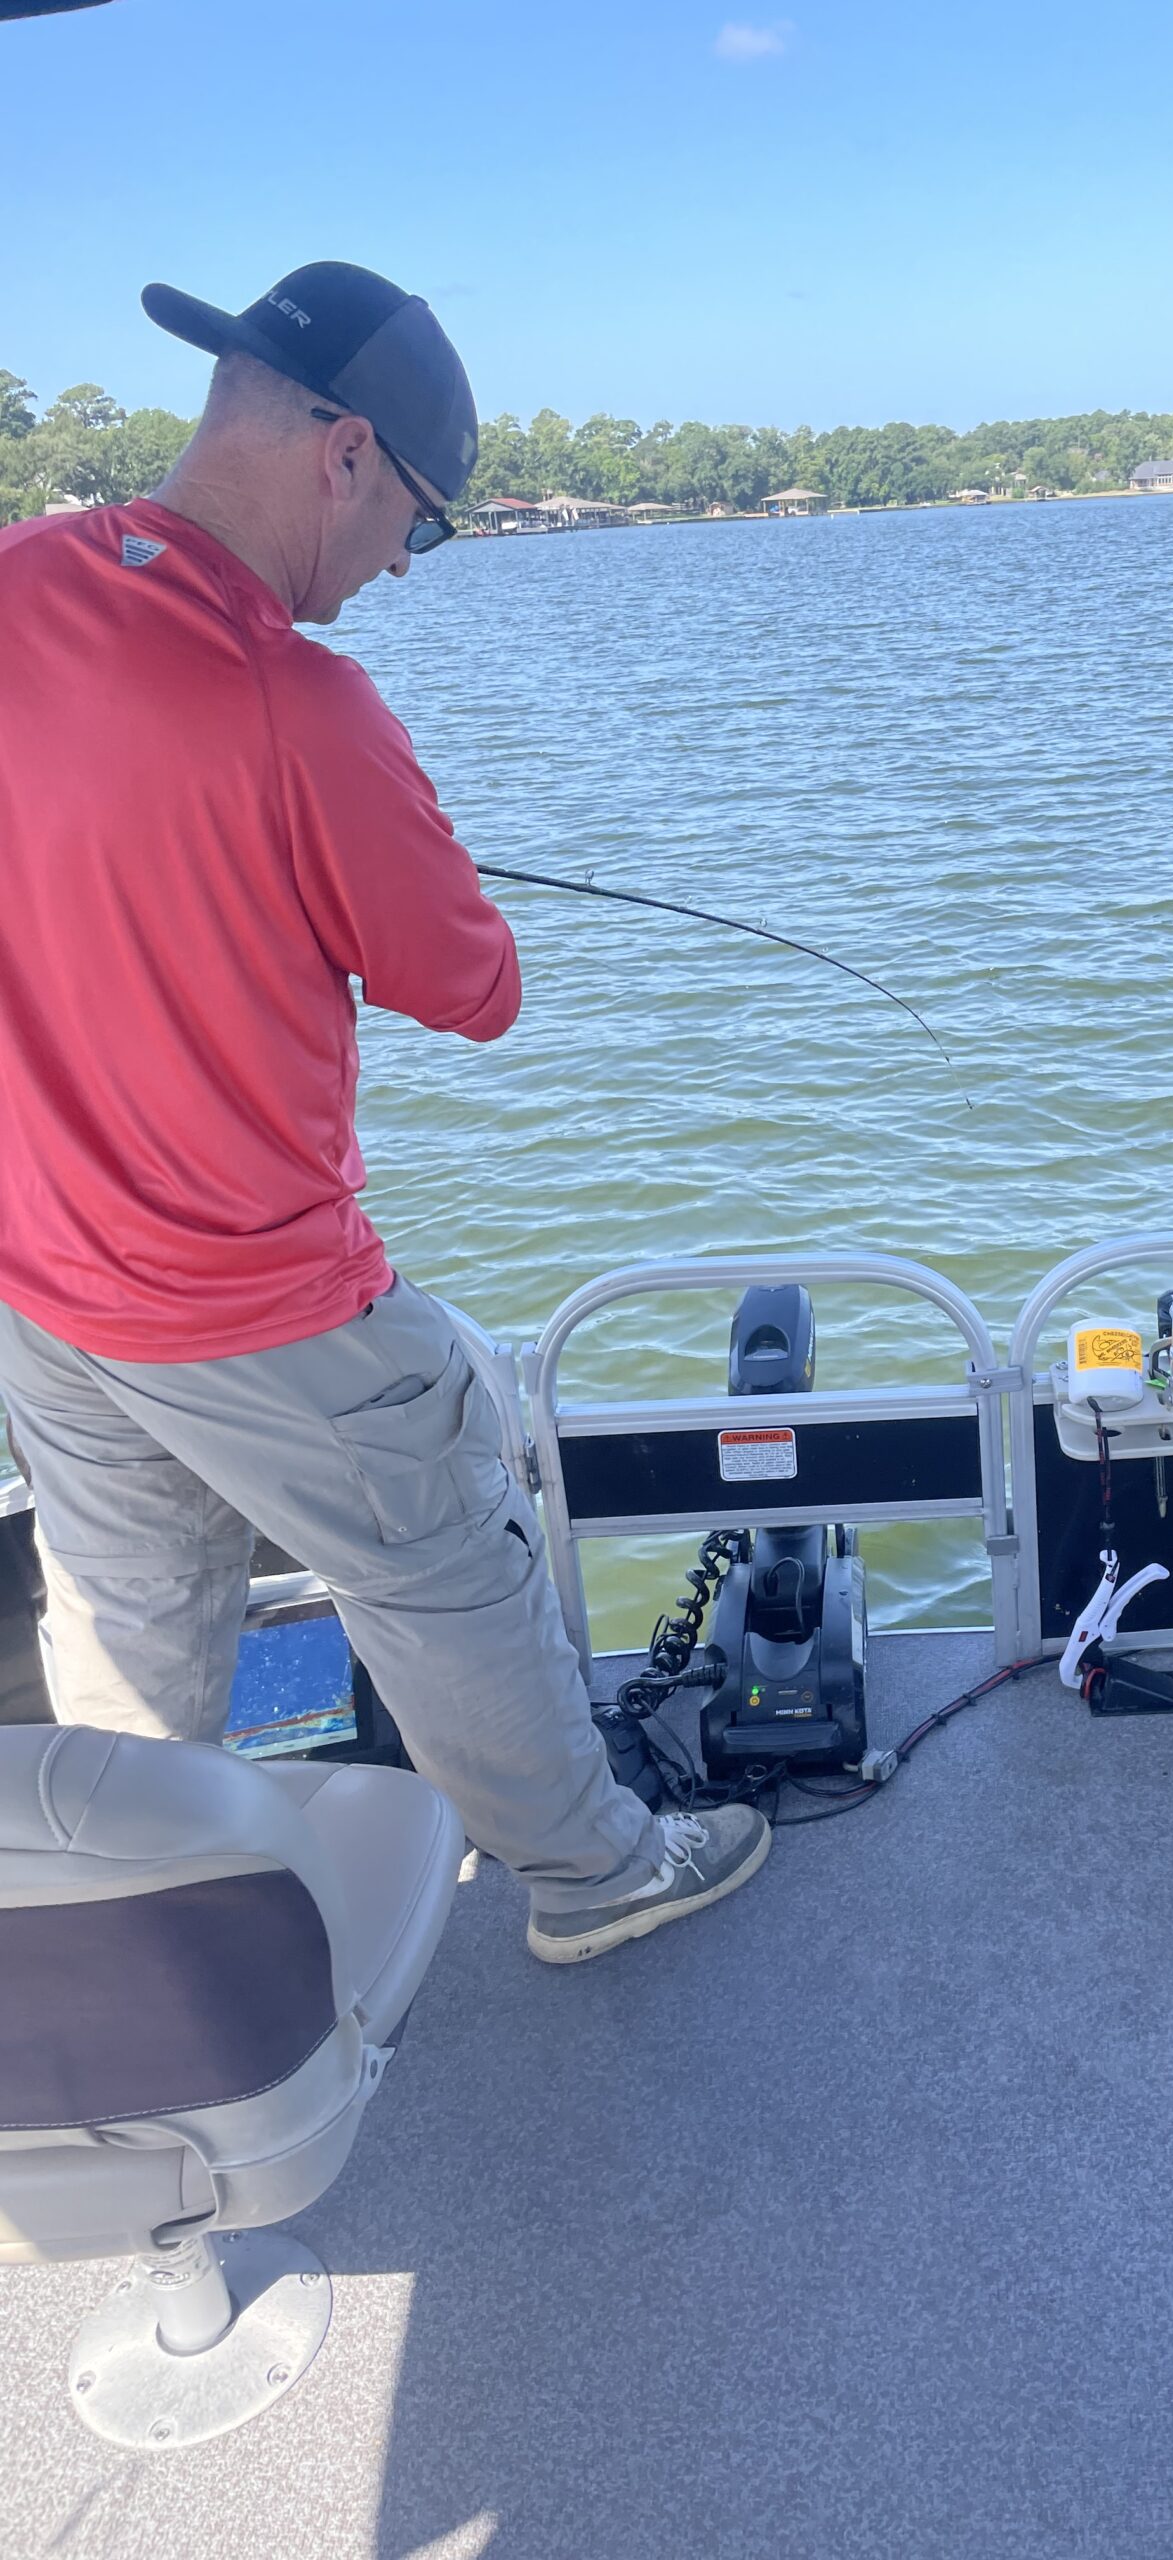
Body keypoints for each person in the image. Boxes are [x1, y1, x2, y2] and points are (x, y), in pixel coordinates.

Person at [0, 261, 769, 1964]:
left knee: (130, 1631)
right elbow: (470, 988)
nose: (400, 570)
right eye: (419, 525)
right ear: (347, 455)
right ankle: (593, 1876)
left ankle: (131, 1941)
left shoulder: (16, 580)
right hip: (259, 1297)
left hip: (48, 1289)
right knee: (452, 1553)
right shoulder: (302, 701)